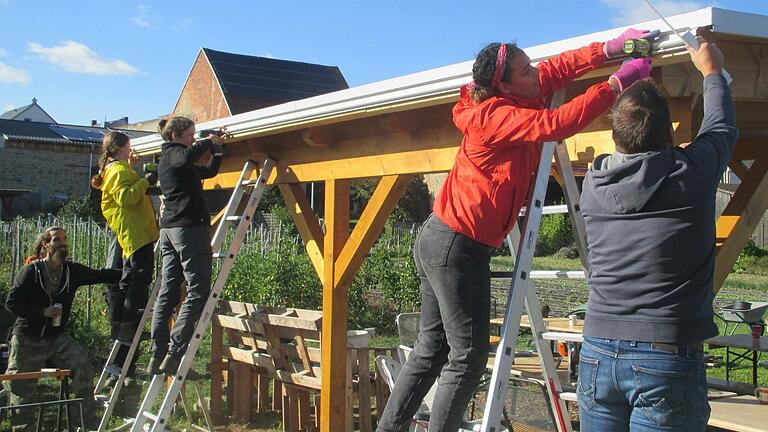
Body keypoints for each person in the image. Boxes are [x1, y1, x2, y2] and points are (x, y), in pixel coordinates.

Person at [377, 28, 656, 432]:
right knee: (467, 357)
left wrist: (608, 51)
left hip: (442, 239)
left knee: (431, 350)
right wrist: (616, 84)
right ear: (503, 85)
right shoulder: (495, 116)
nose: (535, 74)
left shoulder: (511, 96)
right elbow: (559, 122)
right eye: (525, 71)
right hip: (458, 245)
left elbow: (556, 70)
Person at [577, 39, 737, 431]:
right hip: (664, 356)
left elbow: (712, 132)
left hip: (597, 350)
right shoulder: (690, 174)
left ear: (615, 137)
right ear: (668, 134)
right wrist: (712, 72)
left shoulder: (593, 185)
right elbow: (721, 127)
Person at [4, 227, 121, 431]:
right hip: (28, 337)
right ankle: (22, 427)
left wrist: (133, 273)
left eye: (65, 239)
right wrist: (42, 312)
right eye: (58, 240)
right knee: (22, 389)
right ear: (46, 245)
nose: (63, 244)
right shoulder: (32, 271)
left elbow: (101, 275)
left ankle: (85, 421)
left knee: (82, 363)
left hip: (56, 338)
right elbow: (12, 302)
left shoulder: (71, 271)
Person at [148, 116, 225, 375]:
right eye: (190, 134)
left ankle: (157, 354)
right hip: (187, 229)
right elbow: (186, 155)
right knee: (198, 289)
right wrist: (207, 141)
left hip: (171, 230)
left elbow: (210, 171)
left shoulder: (176, 161)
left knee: (169, 289)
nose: (194, 138)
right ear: (175, 136)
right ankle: (173, 353)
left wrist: (217, 148)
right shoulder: (172, 155)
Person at [91, 131, 160, 387]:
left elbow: (123, 190)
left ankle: (122, 352)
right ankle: (129, 328)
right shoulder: (117, 171)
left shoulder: (116, 168)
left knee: (128, 283)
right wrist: (147, 179)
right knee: (137, 285)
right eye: (129, 145)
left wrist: (134, 169)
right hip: (137, 233)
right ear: (120, 147)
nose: (132, 147)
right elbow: (127, 197)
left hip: (132, 233)